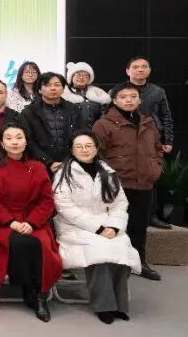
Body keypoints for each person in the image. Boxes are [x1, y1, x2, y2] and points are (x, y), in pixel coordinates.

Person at [53, 132, 140, 324]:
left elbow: (120, 203)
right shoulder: (64, 174)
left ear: (96, 148)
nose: (84, 150)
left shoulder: (107, 172)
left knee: (122, 249)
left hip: (107, 223)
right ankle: (104, 306)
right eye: (79, 146)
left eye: (88, 146)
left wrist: (115, 226)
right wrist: (98, 228)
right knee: (99, 252)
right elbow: (65, 208)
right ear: (72, 150)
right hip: (75, 226)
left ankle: (120, 305)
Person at [0, 123, 62, 322]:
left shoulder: (38, 167)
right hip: (1, 222)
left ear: (26, 142)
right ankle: (27, 287)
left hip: (33, 219)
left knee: (41, 245)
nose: (14, 142)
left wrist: (32, 223)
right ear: (2, 143)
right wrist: (11, 222)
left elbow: (46, 201)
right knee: (20, 241)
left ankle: (39, 295)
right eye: (8, 138)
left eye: (19, 137)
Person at [93, 82, 164, 281]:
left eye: (133, 97)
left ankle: (139, 263)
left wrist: (156, 167)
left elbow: (157, 148)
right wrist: (108, 176)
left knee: (139, 226)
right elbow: (96, 153)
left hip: (144, 182)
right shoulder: (104, 124)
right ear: (115, 101)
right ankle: (115, 264)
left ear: (139, 100)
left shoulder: (148, 122)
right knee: (115, 225)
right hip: (117, 184)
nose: (129, 100)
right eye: (123, 97)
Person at [109, 57, 174, 230]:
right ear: (127, 71)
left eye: (144, 66)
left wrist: (167, 140)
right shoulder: (117, 90)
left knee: (152, 178)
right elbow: (106, 113)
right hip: (123, 140)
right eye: (135, 67)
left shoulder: (158, 91)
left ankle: (152, 215)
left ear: (149, 70)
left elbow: (166, 116)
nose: (140, 69)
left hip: (151, 139)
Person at [21, 72, 83, 174]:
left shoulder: (74, 109)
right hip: (39, 165)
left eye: (57, 85)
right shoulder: (29, 112)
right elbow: (28, 141)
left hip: (72, 164)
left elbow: (80, 135)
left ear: (63, 89)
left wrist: (70, 161)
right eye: (47, 85)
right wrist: (48, 162)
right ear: (39, 89)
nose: (53, 88)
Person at [63, 62, 111, 128]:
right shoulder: (63, 92)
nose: (81, 77)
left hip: (92, 131)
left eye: (85, 75)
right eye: (78, 75)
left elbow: (104, 114)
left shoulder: (97, 93)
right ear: (71, 77)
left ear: (89, 79)